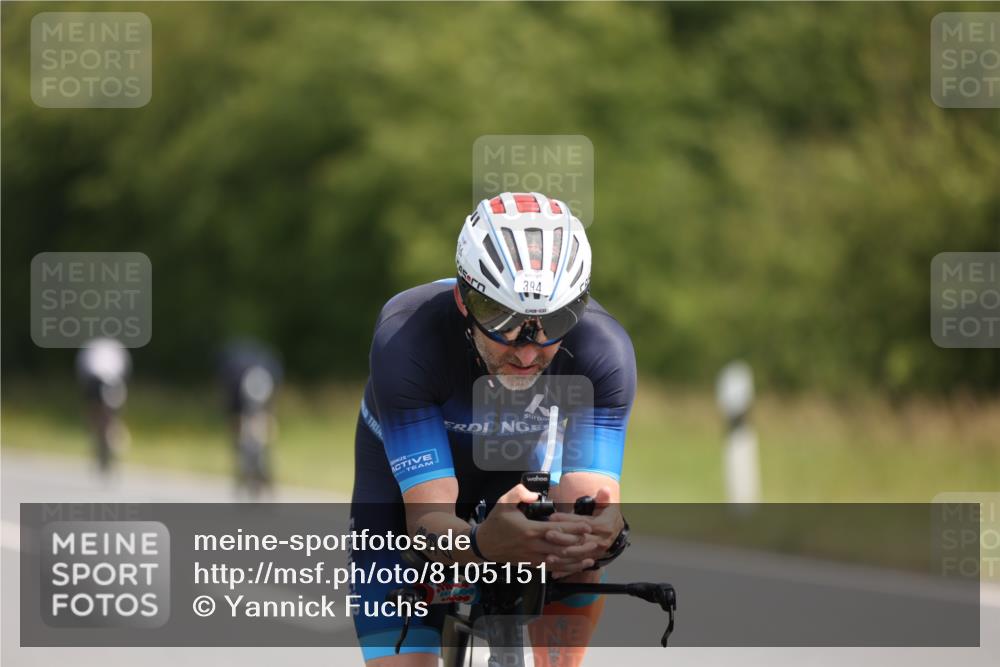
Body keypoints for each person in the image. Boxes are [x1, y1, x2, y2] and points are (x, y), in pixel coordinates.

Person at [350, 192, 636, 666]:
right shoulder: (406, 338)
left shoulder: (603, 353)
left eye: (553, 322)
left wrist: (596, 529)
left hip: (523, 464)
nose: (527, 352)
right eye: (500, 320)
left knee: (578, 557)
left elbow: (591, 496)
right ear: (464, 300)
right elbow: (425, 524)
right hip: (406, 490)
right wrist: (481, 544)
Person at [218, 339, 283, 497]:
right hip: (242, 389)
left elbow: (271, 408)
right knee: (239, 438)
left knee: (262, 437)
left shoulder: (270, 372)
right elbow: (232, 408)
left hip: (263, 384)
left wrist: (269, 421)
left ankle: (263, 476)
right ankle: (243, 476)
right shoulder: (234, 375)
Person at [75, 337, 132, 474]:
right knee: (111, 418)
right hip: (113, 382)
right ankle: (114, 440)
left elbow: (81, 370)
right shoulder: (115, 346)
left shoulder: (91, 346)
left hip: (96, 381)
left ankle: (104, 441)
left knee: (96, 415)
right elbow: (126, 369)